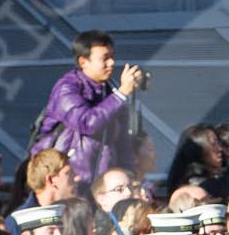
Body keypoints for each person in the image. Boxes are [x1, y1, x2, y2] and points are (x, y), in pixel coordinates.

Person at [31, 31, 146, 186]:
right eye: (105, 58)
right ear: (83, 61)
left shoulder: (111, 91)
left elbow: (122, 143)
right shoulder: (66, 88)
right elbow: (87, 123)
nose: (111, 63)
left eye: (112, 56)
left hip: (102, 184)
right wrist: (122, 93)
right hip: (67, 182)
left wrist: (131, 178)